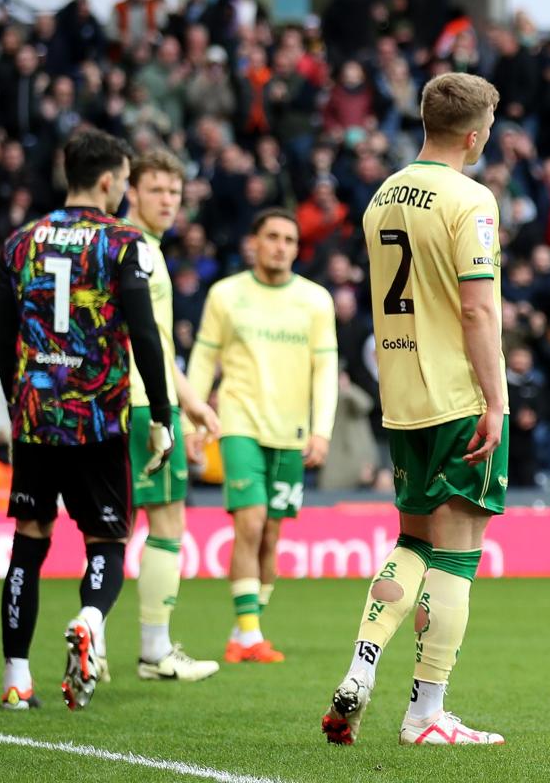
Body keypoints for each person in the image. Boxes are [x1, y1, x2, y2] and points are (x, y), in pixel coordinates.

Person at [321, 72, 507, 747]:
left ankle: (359, 670)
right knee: (457, 559)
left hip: (402, 399)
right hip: (458, 395)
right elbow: (477, 306)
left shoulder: (381, 197)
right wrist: (495, 400)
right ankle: (425, 713)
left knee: (412, 543)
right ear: (475, 133)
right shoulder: (471, 198)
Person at [0, 127, 175, 710]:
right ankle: (91, 620)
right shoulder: (124, 243)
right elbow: (144, 335)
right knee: (107, 538)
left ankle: (16, 678)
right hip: (98, 419)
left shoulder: (20, 242)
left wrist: (18, 401)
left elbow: (3, 338)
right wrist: (163, 414)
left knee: (30, 538)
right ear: (107, 180)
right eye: (124, 179)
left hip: (37, 417)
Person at [186, 209, 338, 665]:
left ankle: (244, 630)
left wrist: (321, 430)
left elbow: (326, 369)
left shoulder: (315, 301)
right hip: (239, 425)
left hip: (290, 432)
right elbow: (202, 358)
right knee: (250, 523)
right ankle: (250, 635)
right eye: (272, 237)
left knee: (271, 534)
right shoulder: (227, 296)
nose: (281, 246)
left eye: (289, 240)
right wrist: (194, 421)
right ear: (254, 242)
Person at [122, 148, 222, 682]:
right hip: (144, 406)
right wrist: (177, 404)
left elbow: (157, 339)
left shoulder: (146, 249)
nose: (167, 200)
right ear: (130, 190)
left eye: (174, 192)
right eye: (156, 189)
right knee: (165, 524)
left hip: (138, 400)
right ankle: (154, 651)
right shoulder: (138, 249)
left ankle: (94, 629)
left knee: (118, 528)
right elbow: (148, 343)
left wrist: (194, 400)